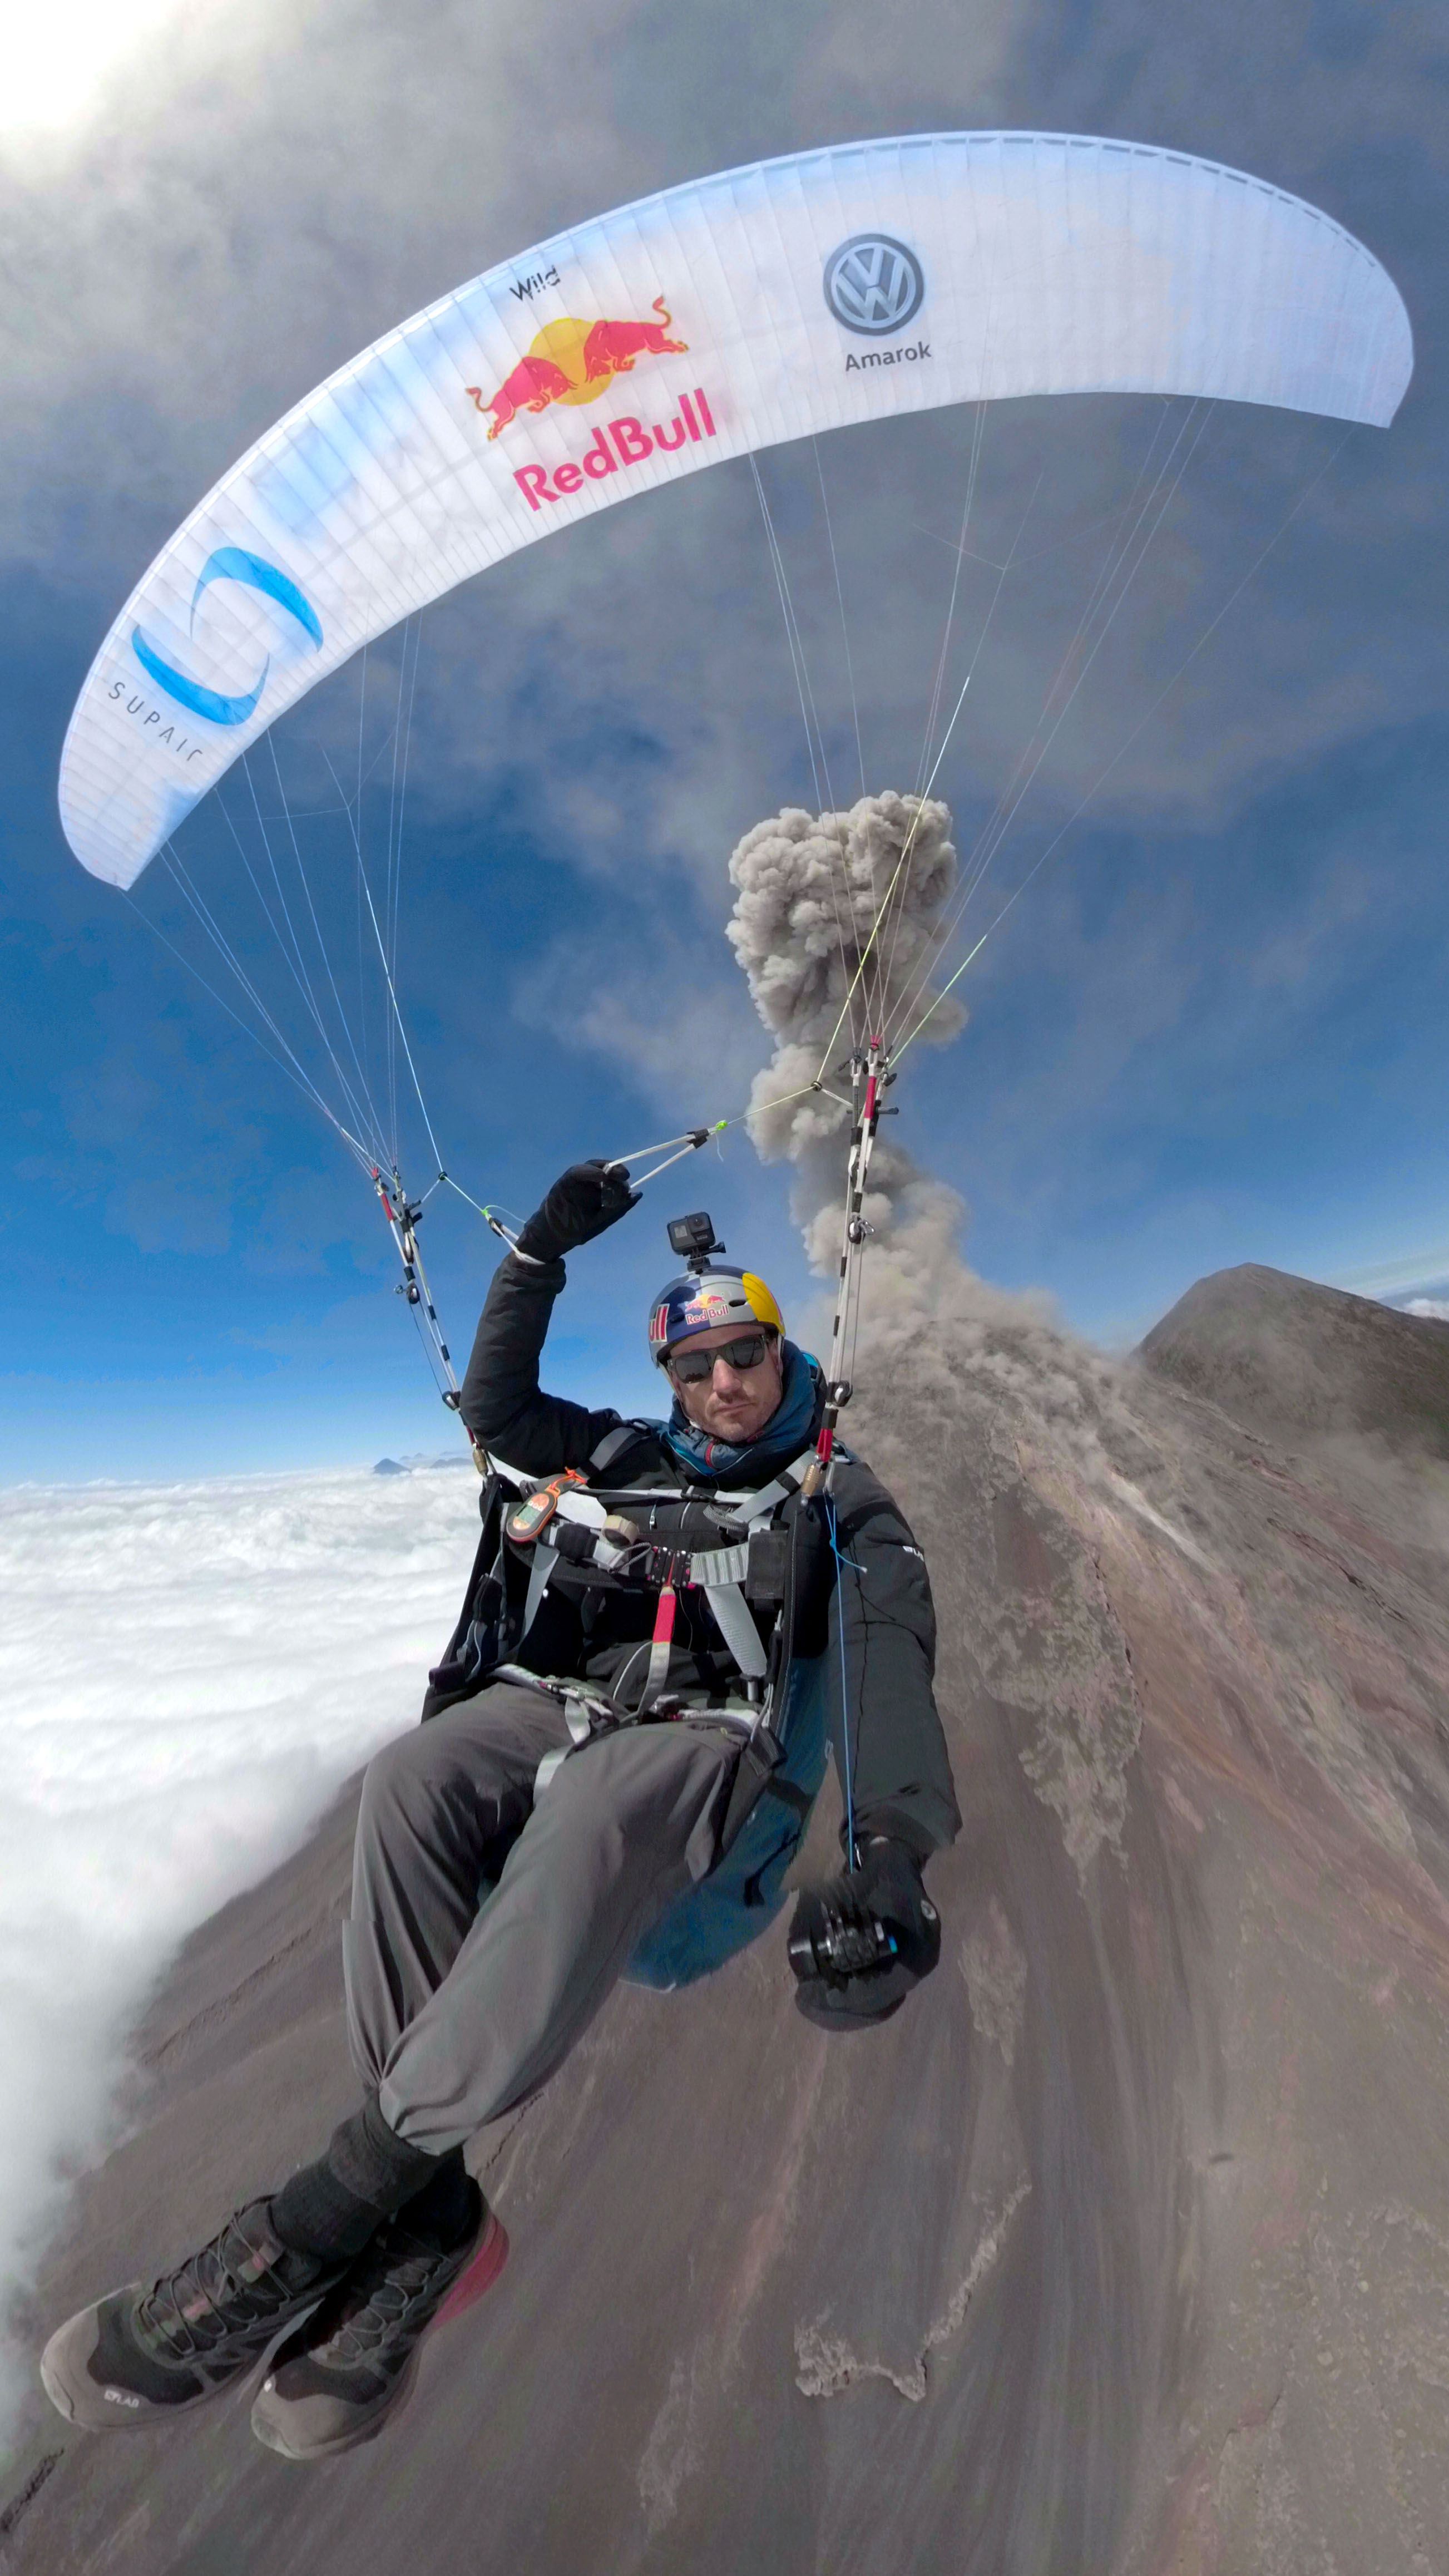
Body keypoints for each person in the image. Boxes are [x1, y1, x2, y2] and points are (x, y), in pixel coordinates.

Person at [41, 1162, 960, 2461]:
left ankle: (312, 2222)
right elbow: (499, 1407)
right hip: (571, 1701)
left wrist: (893, 1849)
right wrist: (534, 1258)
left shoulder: (828, 1483)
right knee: (409, 1782)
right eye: (695, 1369)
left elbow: (886, 1634)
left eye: (744, 1356)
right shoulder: (632, 1452)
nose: (723, 1386)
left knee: (593, 1802)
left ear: (780, 1350)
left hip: (709, 1747)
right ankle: (429, 2226)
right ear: (671, 1382)